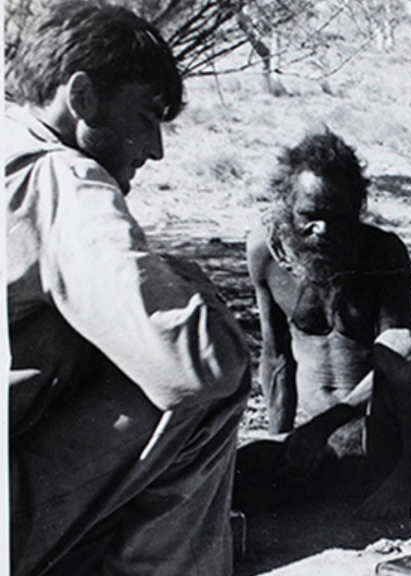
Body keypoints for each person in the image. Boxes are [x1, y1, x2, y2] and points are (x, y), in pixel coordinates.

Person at [5, 3, 251, 576]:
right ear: (82, 96)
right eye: (145, 117)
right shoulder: (59, 177)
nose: (156, 148)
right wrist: (191, 287)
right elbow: (198, 370)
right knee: (210, 370)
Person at [237, 129, 411, 519]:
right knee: (232, 479)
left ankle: (409, 470)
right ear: (286, 204)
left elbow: (396, 362)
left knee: (400, 344)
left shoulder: (383, 253)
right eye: (309, 217)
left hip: (376, 436)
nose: (322, 231)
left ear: (357, 207)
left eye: (336, 218)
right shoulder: (264, 251)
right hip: (317, 441)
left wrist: (323, 425)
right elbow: (276, 358)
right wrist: (283, 441)